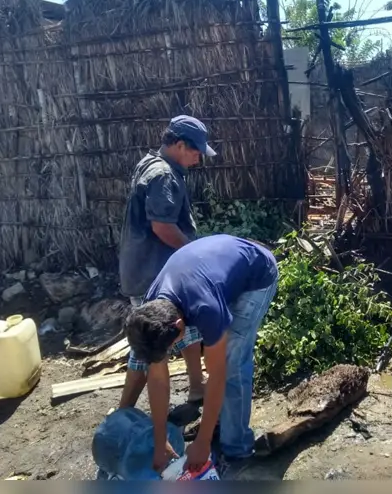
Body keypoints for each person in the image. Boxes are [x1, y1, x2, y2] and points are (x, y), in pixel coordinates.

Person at [124, 234, 279, 479]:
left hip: (257, 275)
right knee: (222, 361)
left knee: (233, 363)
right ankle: (219, 424)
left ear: (178, 325)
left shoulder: (206, 309)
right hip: (211, 272)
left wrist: (202, 441)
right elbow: (157, 379)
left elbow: (218, 375)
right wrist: (160, 438)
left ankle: (237, 449)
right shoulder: (151, 310)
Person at [117, 115, 216, 410]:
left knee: (187, 330)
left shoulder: (151, 163)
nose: (198, 159)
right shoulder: (163, 175)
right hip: (154, 275)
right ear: (181, 145)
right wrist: (193, 254)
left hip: (155, 270)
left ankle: (197, 388)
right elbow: (162, 227)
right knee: (150, 345)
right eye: (196, 151)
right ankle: (125, 412)